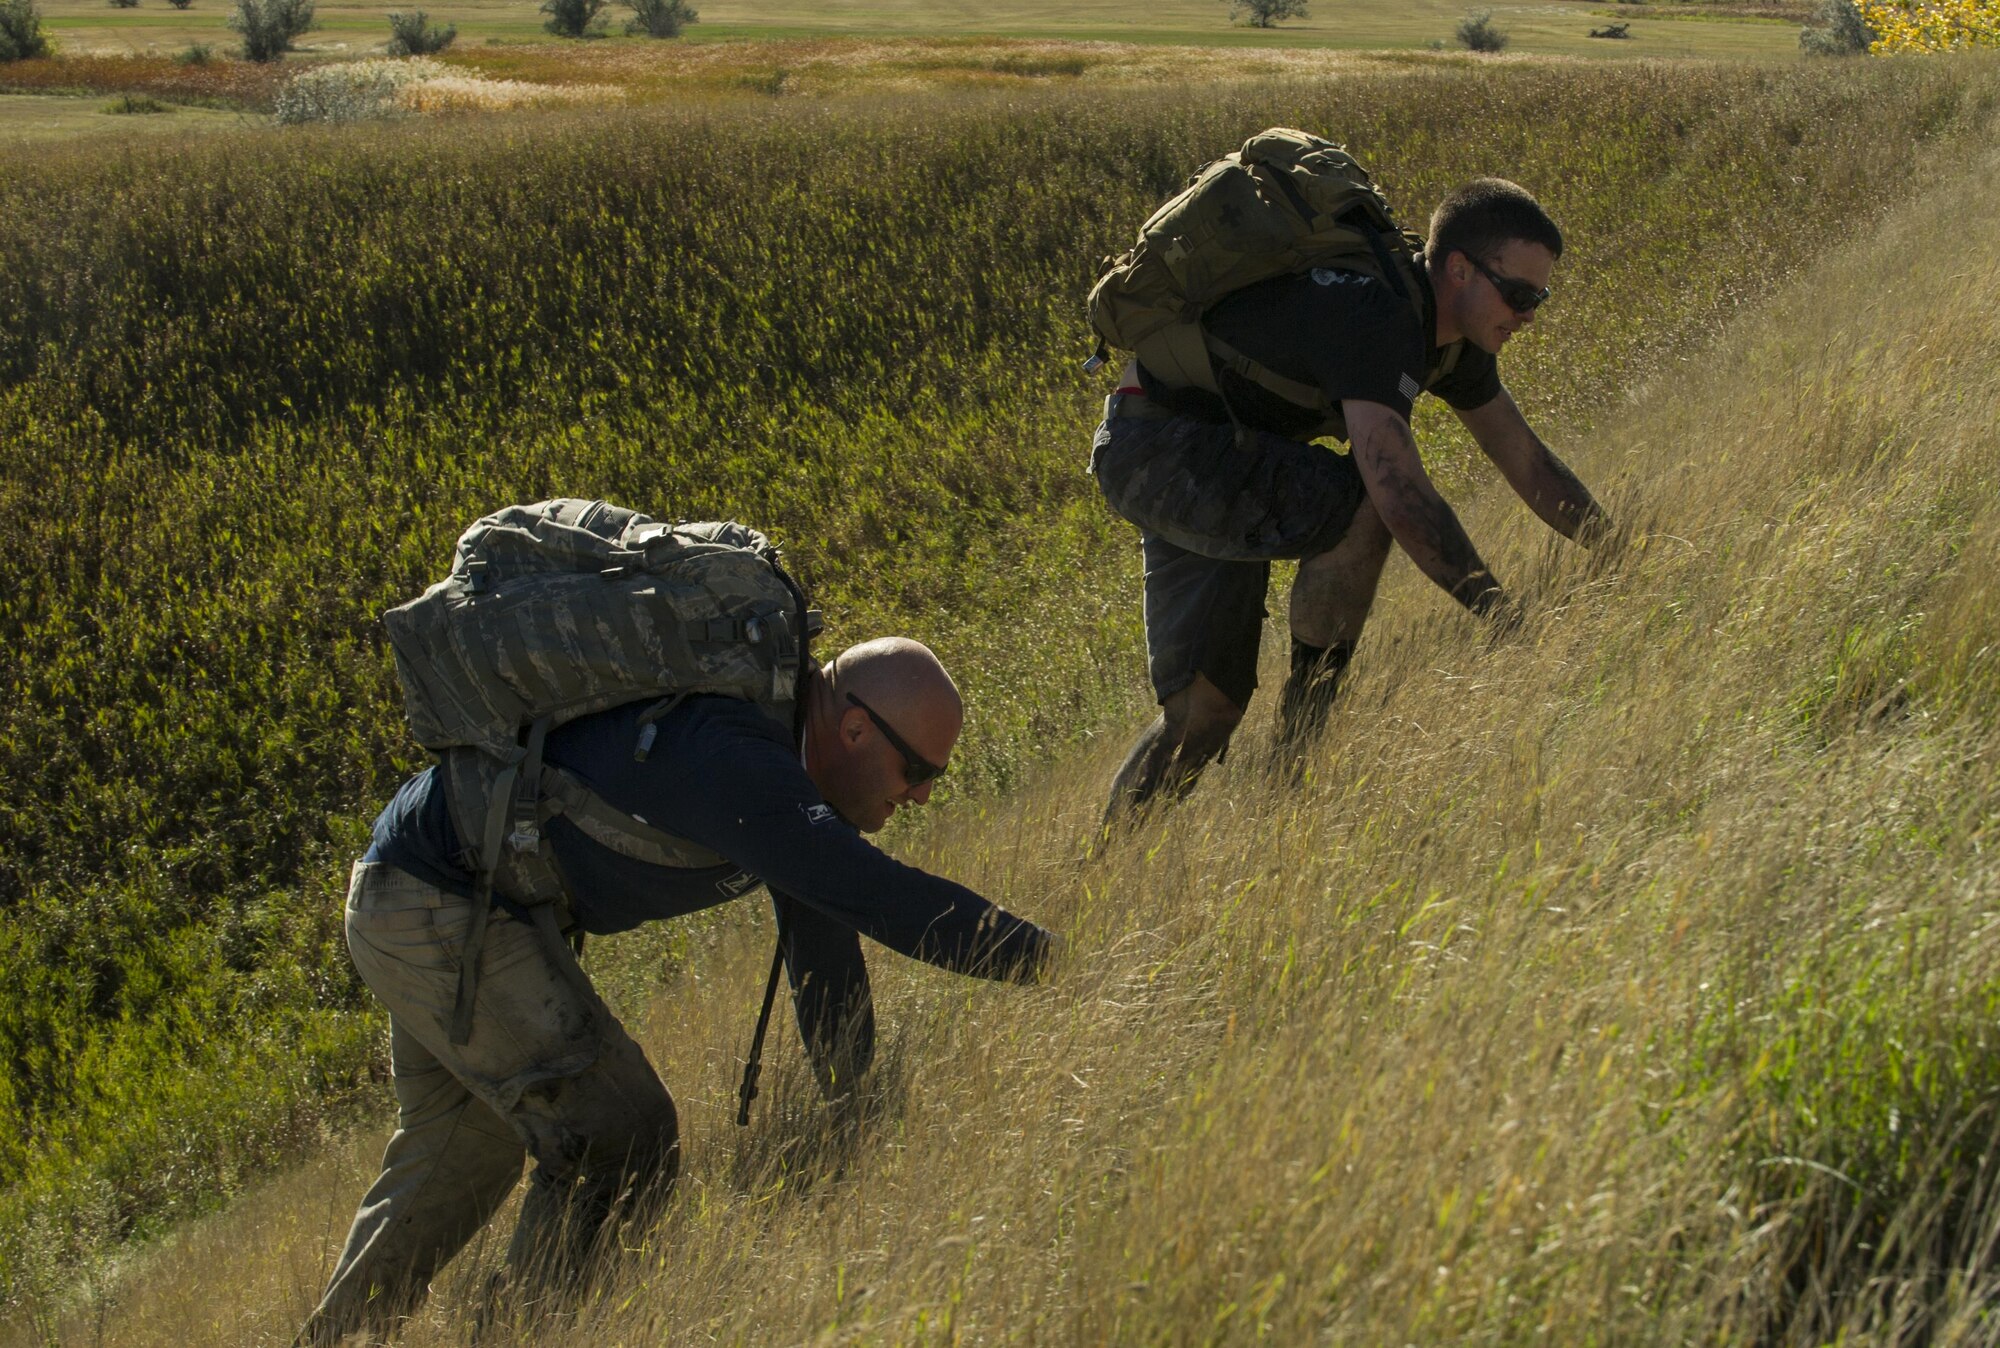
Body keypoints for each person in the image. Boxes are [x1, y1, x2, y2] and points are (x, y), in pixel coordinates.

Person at [296, 636, 1055, 1345]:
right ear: (855, 728)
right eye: (919, 771)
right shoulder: (737, 761)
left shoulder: (778, 762)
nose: (920, 797)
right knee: (620, 1137)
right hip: (444, 902)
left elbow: (826, 937)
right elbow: (878, 895)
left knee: (466, 1151)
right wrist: (1057, 966)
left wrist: (855, 1106)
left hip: (424, 885)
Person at [1090, 177, 1610, 826]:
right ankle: (1304, 734)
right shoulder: (1378, 315)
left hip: (1218, 448)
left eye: (1542, 297)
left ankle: (1110, 858)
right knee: (1369, 500)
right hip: (1161, 444)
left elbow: (1528, 461)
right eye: (1521, 294)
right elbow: (1398, 494)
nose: (1530, 314)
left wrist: (1619, 550)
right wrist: (1504, 619)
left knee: (1208, 709)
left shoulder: (1457, 342)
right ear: (1459, 269)